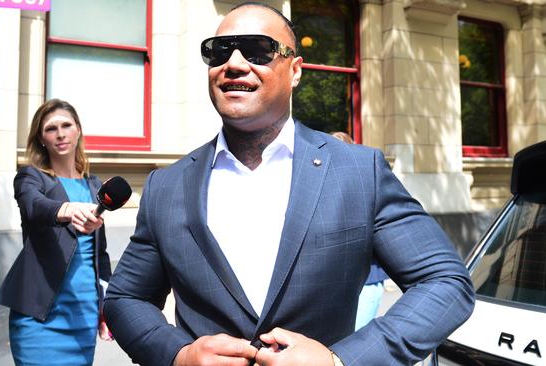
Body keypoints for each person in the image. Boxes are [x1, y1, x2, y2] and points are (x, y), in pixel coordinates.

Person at [104, 3, 475, 366]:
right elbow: (125, 298)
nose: (233, 64)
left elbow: (445, 283)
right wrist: (177, 355)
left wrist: (341, 361)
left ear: (295, 70)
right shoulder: (166, 186)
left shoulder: (360, 171)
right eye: (219, 52)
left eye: (258, 50)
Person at [0, 99, 112, 365]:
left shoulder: (93, 185)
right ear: (41, 138)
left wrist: (106, 306)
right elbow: (33, 206)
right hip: (40, 319)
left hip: (83, 314)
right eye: (51, 129)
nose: (60, 134)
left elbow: (101, 255)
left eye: (66, 125)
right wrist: (67, 210)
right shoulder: (31, 178)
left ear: (78, 130)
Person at [330, 131, 390, 330]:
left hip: (367, 280)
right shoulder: (324, 186)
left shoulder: (367, 181)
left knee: (354, 339)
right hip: (336, 284)